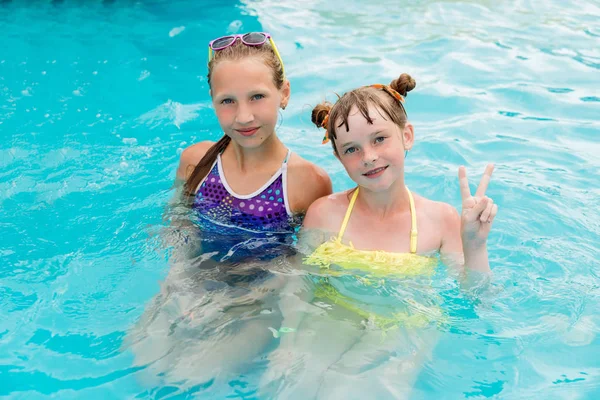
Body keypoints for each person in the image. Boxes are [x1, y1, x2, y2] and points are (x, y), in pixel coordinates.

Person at [261, 73, 499, 399]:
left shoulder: (440, 219)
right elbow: (299, 285)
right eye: (351, 149)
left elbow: (476, 300)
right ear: (338, 156)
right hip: (336, 310)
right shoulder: (325, 214)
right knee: (291, 384)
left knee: (351, 392)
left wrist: (475, 246)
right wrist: (287, 341)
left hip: (404, 323)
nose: (368, 157)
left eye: (379, 139)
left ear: (407, 136)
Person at [128, 32, 332, 392]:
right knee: (141, 364)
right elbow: (177, 225)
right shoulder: (196, 162)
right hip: (192, 283)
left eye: (257, 96)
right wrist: (179, 283)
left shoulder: (307, 182)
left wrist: (238, 301)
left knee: (188, 377)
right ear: (211, 100)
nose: (244, 116)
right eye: (228, 101)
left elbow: (304, 266)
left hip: (256, 301)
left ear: (284, 93)